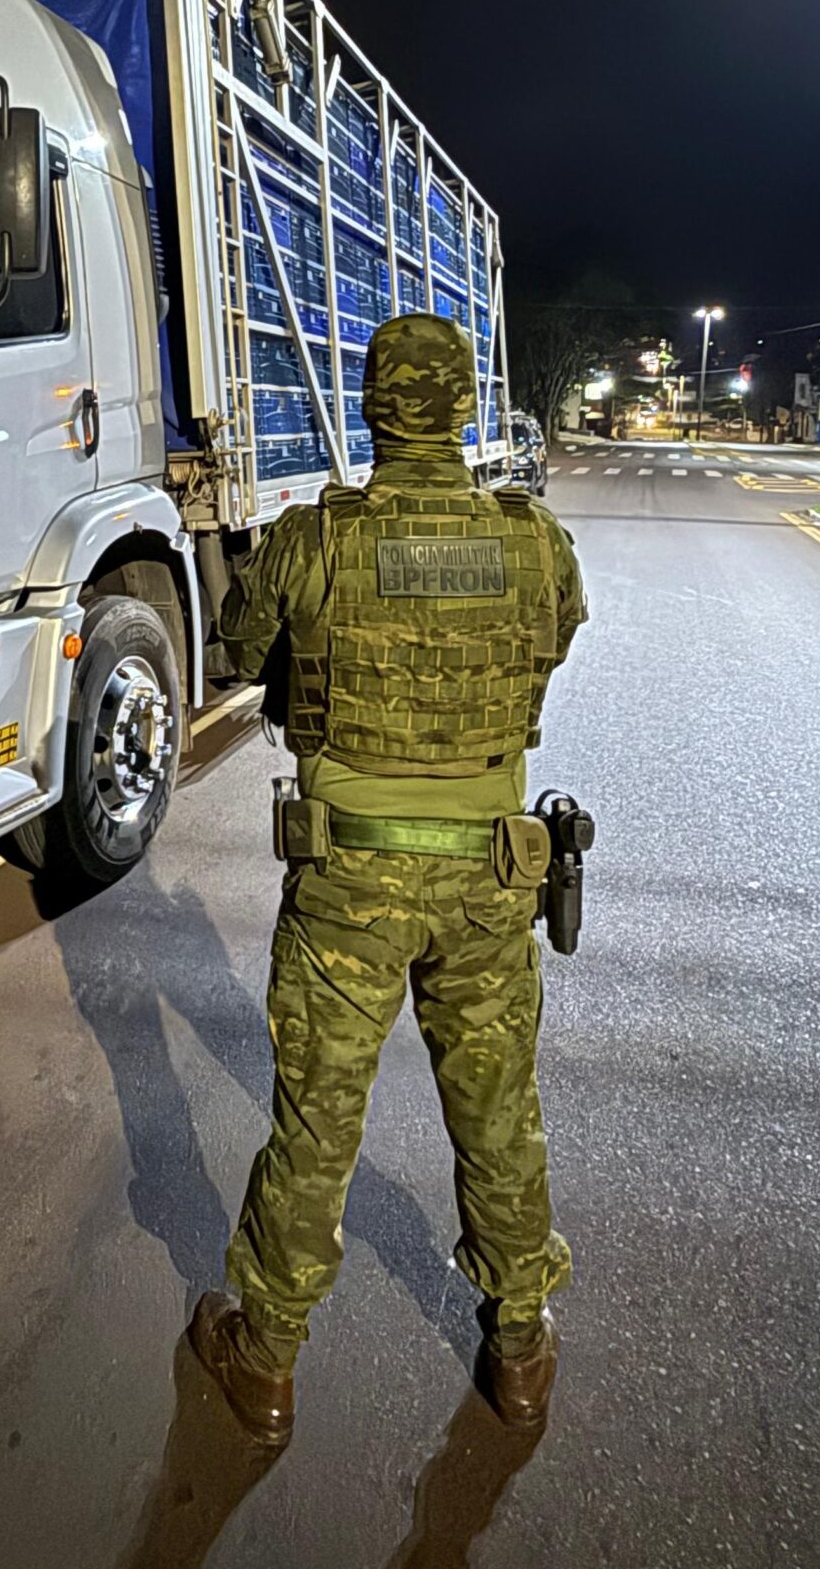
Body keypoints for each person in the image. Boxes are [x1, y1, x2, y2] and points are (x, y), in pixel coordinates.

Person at [192, 312, 588, 1447]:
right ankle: (520, 1347)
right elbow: (552, 643)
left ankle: (264, 1358)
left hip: (348, 878)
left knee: (317, 1118)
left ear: (372, 407)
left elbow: (237, 642)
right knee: (499, 1109)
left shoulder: (317, 536)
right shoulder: (532, 539)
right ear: (464, 406)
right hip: (489, 878)